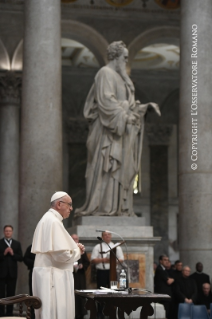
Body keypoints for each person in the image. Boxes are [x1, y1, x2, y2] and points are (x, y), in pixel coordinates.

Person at [75, 41, 160, 217]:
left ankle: (119, 208)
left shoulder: (121, 78)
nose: (126, 61)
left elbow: (127, 105)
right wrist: (126, 116)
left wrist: (143, 108)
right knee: (107, 169)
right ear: (115, 56)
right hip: (108, 132)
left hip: (120, 132)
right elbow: (106, 102)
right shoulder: (105, 73)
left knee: (119, 170)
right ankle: (103, 207)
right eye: (125, 57)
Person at [31, 191, 85, 319]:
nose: (71, 208)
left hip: (49, 275)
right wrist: (78, 251)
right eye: (69, 205)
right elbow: (61, 256)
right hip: (54, 277)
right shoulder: (53, 222)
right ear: (59, 204)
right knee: (55, 313)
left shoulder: (48, 219)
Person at [0, 225, 23, 317]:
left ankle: (9, 313)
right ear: (3, 232)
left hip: (12, 273)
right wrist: (4, 254)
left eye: (9, 231)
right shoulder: (0, 243)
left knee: (11, 293)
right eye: (6, 231)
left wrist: (13, 254)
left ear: (12, 232)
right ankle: (1, 313)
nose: (8, 232)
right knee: (1, 294)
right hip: (1, 273)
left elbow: (21, 258)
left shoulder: (17, 244)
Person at [71, 234, 90, 319]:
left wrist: (82, 266)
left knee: (80, 295)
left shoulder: (82, 249)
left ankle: (81, 313)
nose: (75, 240)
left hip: (80, 276)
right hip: (71, 276)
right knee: (72, 295)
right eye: (73, 239)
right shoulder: (68, 249)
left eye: (76, 239)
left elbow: (87, 262)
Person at [154, 255, 174, 319]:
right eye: (165, 260)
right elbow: (169, 281)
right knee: (163, 315)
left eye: (167, 260)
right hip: (163, 296)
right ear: (160, 261)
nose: (167, 262)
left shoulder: (163, 269)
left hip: (165, 296)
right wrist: (174, 279)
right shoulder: (160, 269)